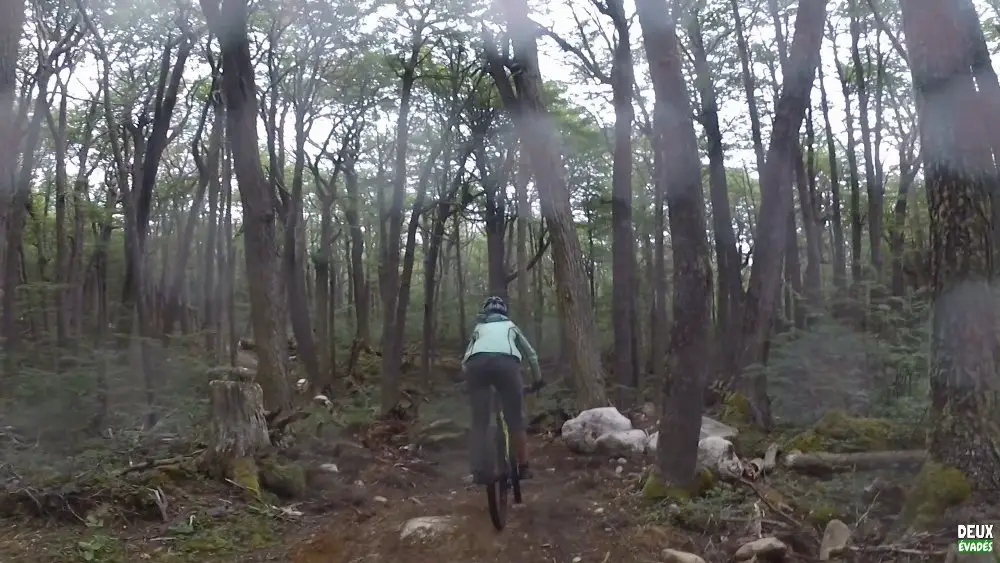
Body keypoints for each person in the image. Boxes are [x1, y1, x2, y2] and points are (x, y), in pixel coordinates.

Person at [462, 295, 542, 484]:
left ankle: (478, 470)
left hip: (477, 367)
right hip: (507, 366)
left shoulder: (479, 328)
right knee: (515, 420)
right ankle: (523, 468)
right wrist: (538, 379)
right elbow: (531, 354)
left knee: (479, 423)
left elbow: (465, 360)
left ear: (486, 312)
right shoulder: (510, 326)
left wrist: (469, 381)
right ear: (504, 313)